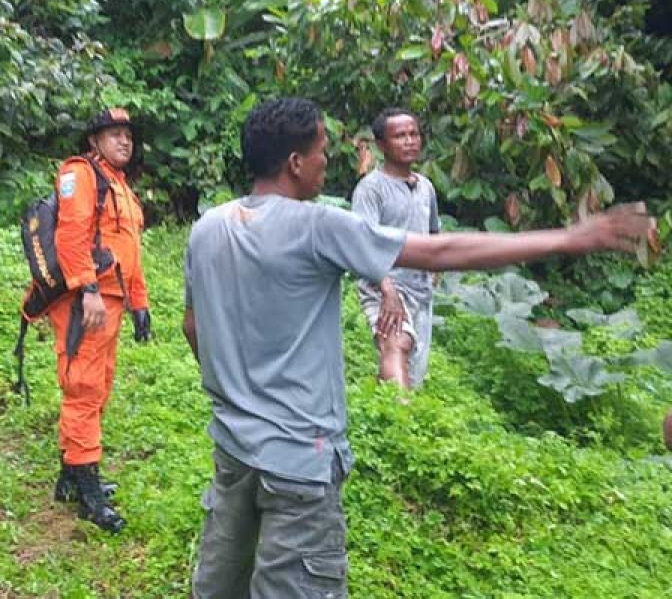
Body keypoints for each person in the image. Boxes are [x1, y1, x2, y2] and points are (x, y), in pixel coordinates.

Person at [182, 97, 653, 599]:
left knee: (218, 587)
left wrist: (239, 391)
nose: (327, 162)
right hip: (300, 459)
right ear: (295, 163)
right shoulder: (316, 224)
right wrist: (567, 238)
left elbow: (193, 328)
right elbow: (439, 251)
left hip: (233, 447)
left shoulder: (208, 227)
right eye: (321, 151)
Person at [49, 107, 152, 533]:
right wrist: (87, 289)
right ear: (94, 141)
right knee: (84, 389)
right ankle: (88, 495)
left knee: (98, 385)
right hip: (85, 303)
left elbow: (128, 252)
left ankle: (72, 476)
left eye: (127, 134)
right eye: (113, 134)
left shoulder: (120, 186)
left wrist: (140, 303)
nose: (124, 141)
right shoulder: (82, 175)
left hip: (111, 302)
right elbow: (71, 234)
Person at [352, 108, 440, 388]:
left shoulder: (426, 187)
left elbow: (434, 234)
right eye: (400, 136)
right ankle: (397, 423)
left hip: (420, 292)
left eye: (413, 134)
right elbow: (362, 244)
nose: (409, 141)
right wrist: (387, 290)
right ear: (381, 145)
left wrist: (434, 274)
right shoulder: (371, 189)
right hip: (385, 288)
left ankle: (392, 420)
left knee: (412, 375)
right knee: (396, 343)